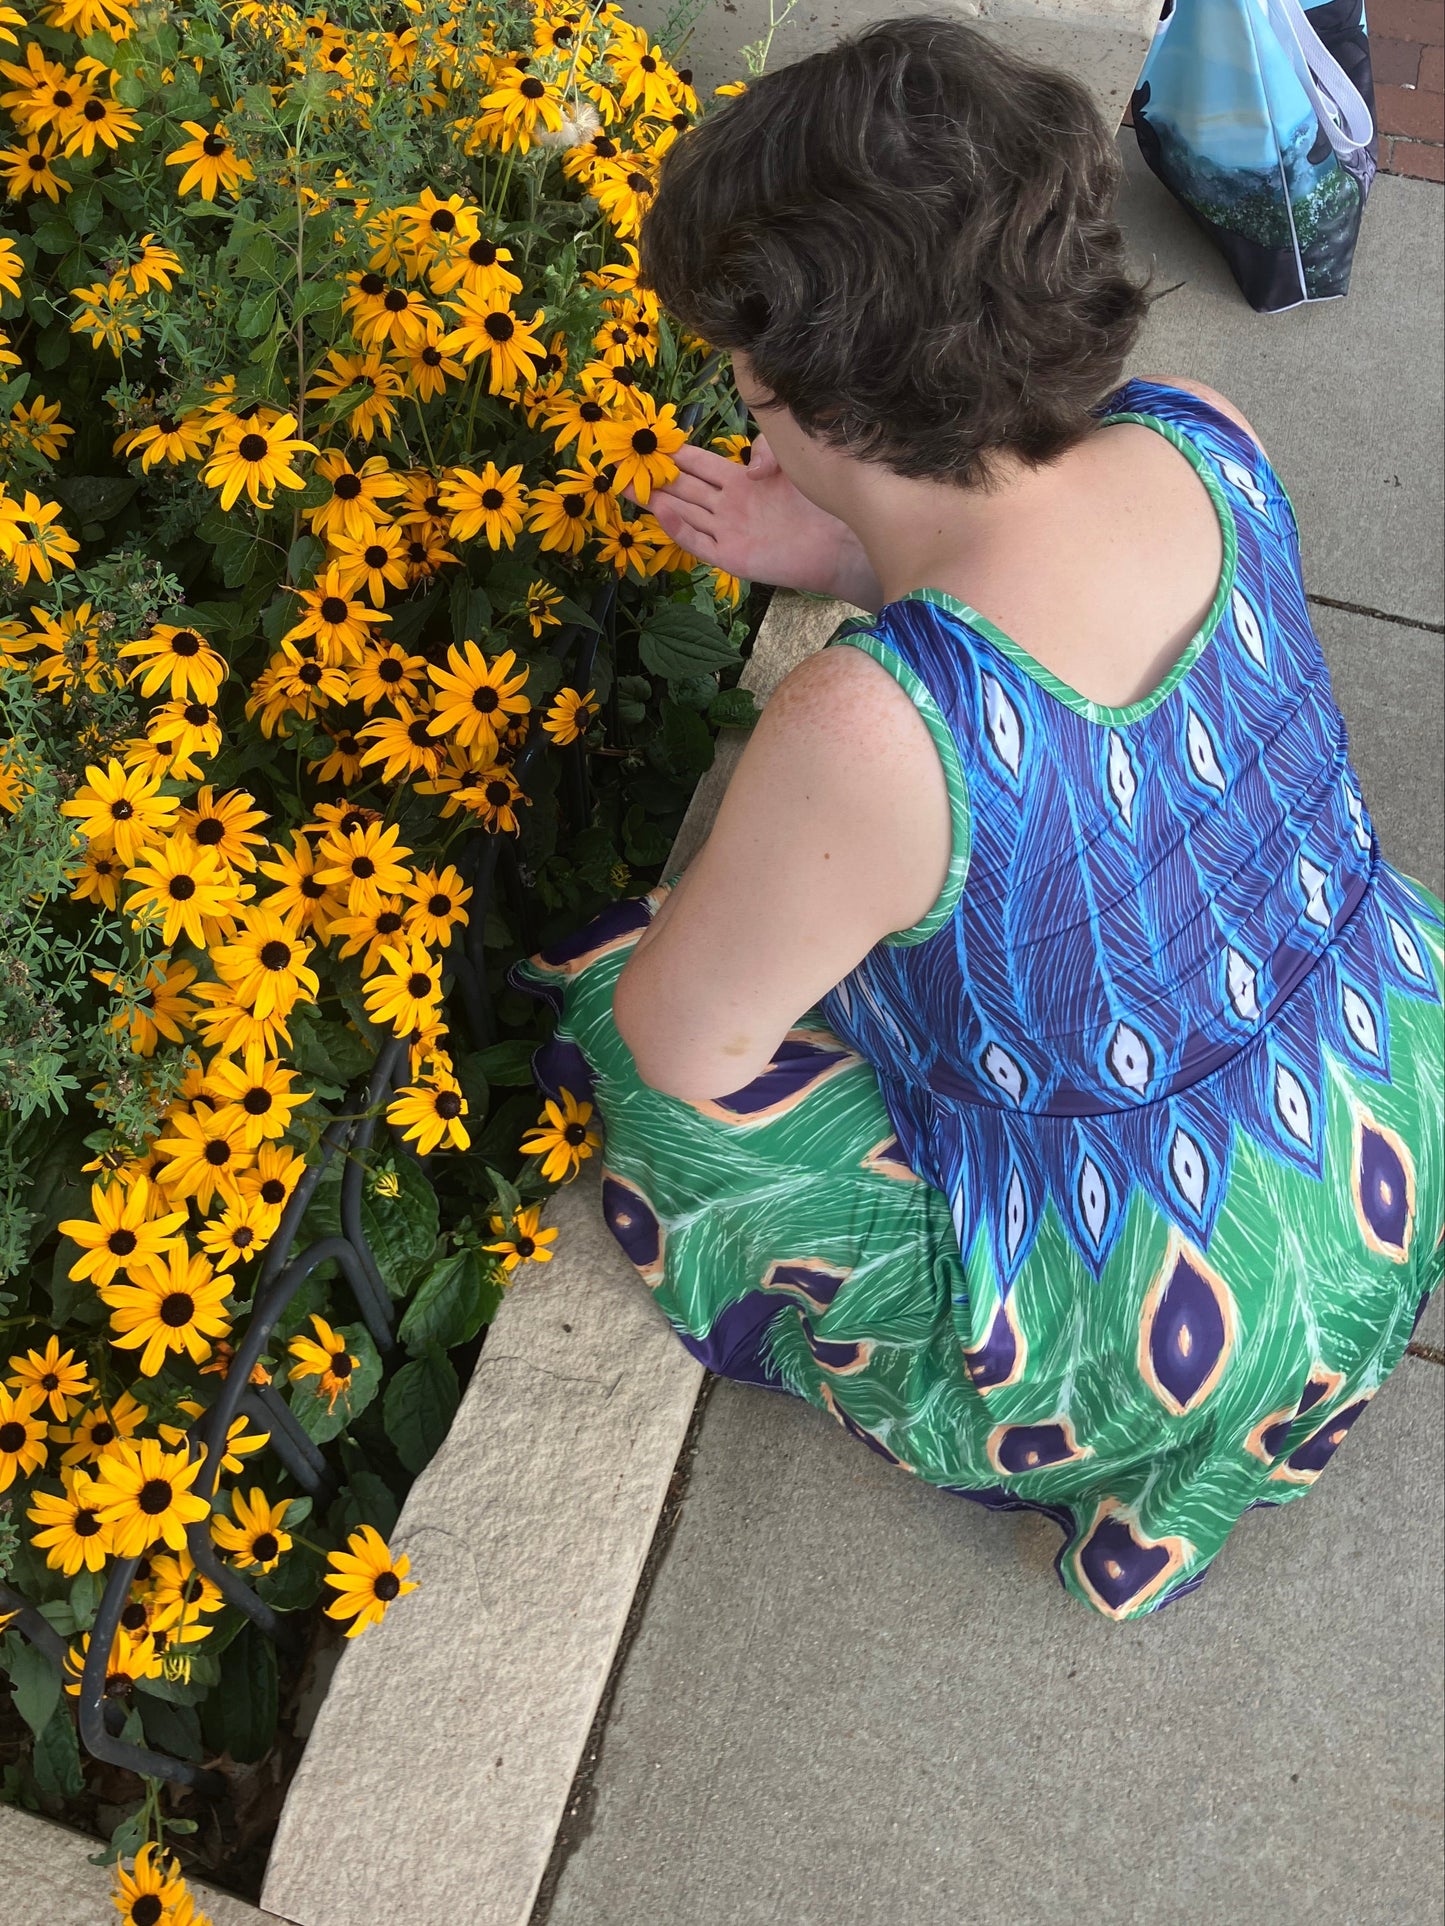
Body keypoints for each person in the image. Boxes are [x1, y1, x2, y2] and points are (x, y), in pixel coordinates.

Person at [508, 16, 1443, 1619]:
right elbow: (1044, 622)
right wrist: (845, 550)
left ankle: (1034, 1405)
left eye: (743, 376)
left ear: (804, 398)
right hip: (1374, 1113)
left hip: (1155, 1299)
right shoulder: (1199, 435)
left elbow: (686, 1039)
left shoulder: (872, 725)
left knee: (623, 1026)